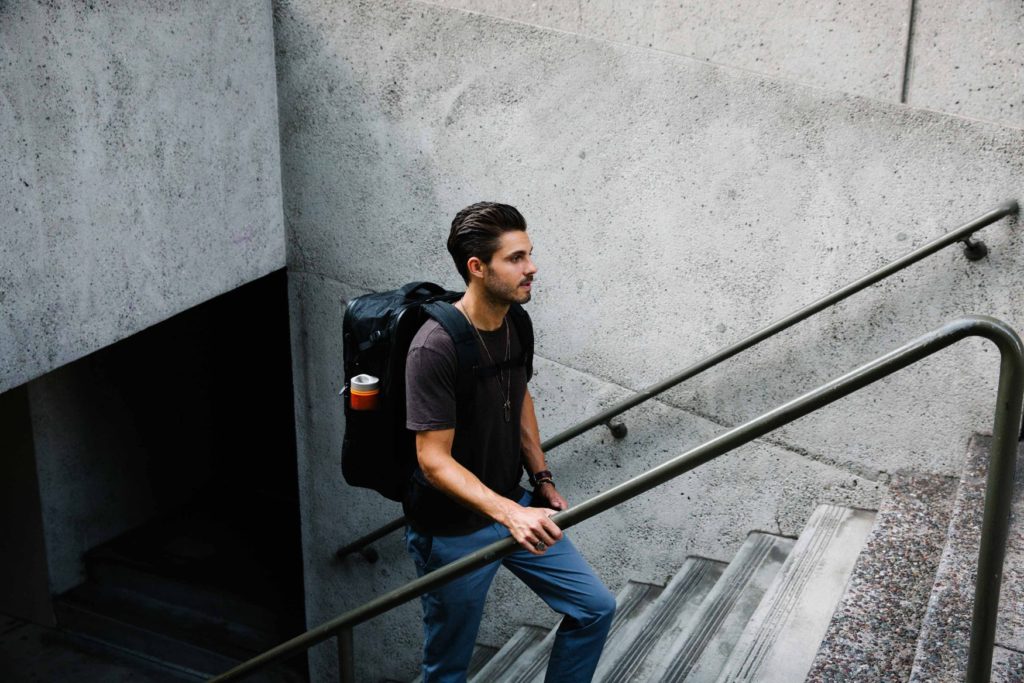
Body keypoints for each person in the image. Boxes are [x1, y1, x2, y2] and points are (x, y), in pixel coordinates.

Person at [403, 202, 616, 682]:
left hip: (515, 503)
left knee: (594, 608)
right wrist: (510, 513)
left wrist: (539, 475)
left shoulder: (516, 321)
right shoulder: (433, 347)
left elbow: (518, 397)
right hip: (453, 531)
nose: (532, 267)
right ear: (477, 268)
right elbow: (432, 460)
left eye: (530, 254)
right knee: (448, 668)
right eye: (516, 258)